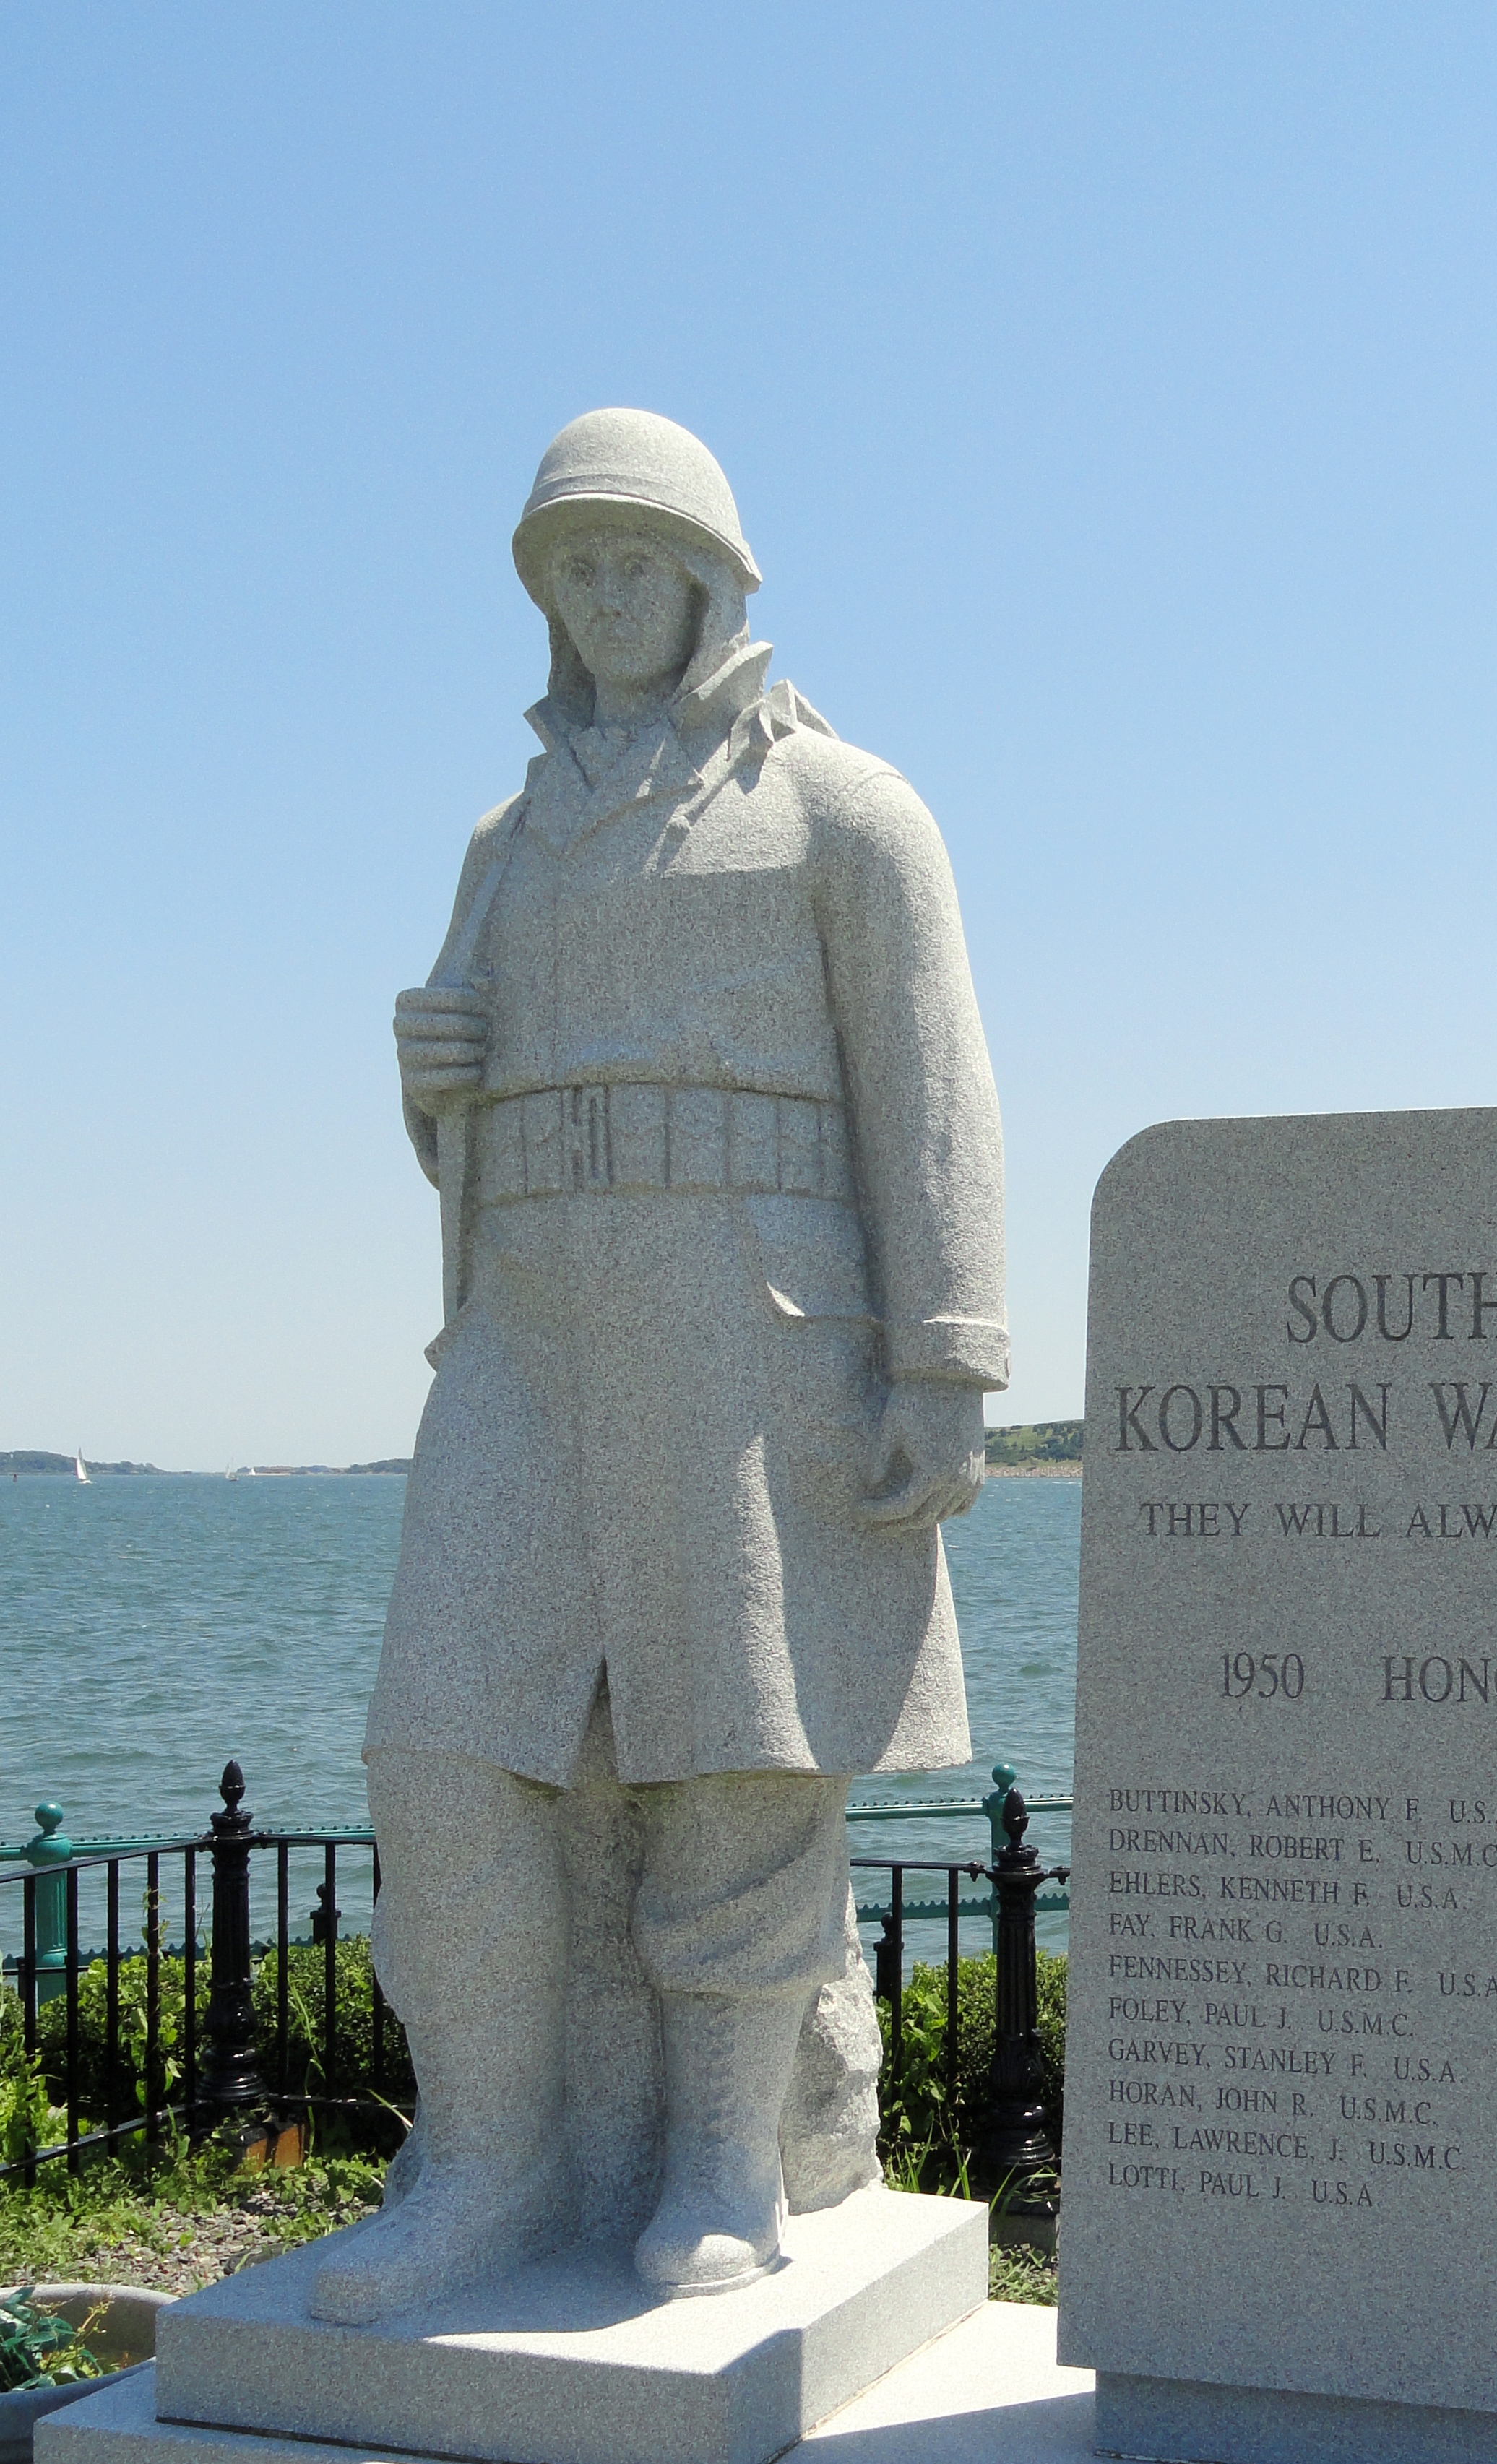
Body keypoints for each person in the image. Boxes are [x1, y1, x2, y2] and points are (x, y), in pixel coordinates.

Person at [314, 409, 1008, 2324]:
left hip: (753, 1330)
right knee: (441, 1745)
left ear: (715, 569)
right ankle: (489, 2159)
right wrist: (432, 1092)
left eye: (636, 557)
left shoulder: (842, 808)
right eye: (573, 569)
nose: (608, 595)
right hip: (529, 1333)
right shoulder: (504, 842)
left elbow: (931, 1082)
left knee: (741, 1748)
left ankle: (725, 2154)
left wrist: (947, 1361)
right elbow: (472, 1130)